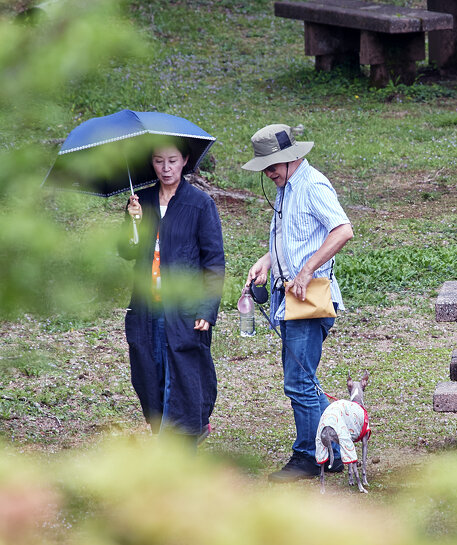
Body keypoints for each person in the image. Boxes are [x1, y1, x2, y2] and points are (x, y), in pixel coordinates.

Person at [242, 123, 354, 481]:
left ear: (294, 157)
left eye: (273, 164)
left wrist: (305, 271)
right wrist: (267, 260)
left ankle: (309, 456)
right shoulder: (285, 189)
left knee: (299, 383)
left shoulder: (312, 185)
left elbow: (342, 230)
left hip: (311, 298)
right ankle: (338, 444)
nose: (269, 171)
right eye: (265, 166)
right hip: (289, 298)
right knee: (302, 380)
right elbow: (291, 239)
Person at [120, 138, 224, 440]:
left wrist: (207, 307)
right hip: (146, 308)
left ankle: (184, 436)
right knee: (148, 374)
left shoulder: (200, 204)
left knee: (185, 375)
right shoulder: (142, 202)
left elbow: (214, 261)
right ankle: (164, 431)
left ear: (185, 160)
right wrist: (131, 223)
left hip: (184, 309)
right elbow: (127, 251)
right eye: (158, 161)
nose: (165, 168)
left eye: (172, 160)